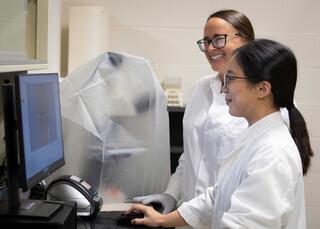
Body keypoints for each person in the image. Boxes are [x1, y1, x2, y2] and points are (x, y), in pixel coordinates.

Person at [128, 39, 314, 229]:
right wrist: (163, 220)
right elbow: (219, 195)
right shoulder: (254, 139)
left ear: (262, 89)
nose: (224, 88)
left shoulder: (271, 155)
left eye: (231, 78)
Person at [134, 9, 256, 218]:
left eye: (218, 39)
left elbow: (254, 178)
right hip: (186, 218)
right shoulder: (201, 88)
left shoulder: (263, 97)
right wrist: (170, 195)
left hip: (231, 219)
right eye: (206, 41)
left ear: (246, 41)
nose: (210, 48)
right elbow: (190, 156)